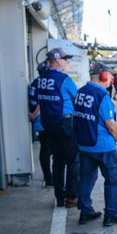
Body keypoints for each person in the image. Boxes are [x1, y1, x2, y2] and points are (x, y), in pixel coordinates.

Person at [73, 62, 117, 226]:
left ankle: (85, 212)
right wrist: (116, 138)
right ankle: (111, 215)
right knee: (113, 180)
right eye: (110, 75)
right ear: (104, 75)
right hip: (103, 146)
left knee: (86, 179)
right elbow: (111, 124)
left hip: (84, 145)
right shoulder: (102, 96)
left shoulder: (80, 92)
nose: (111, 78)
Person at [34, 48, 79, 207]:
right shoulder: (64, 79)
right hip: (65, 123)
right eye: (65, 59)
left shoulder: (40, 79)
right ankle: (71, 196)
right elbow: (77, 98)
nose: (67, 62)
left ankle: (59, 197)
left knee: (58, 161)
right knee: (73, 160)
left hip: (48, 124)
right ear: (58, 60)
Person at [29, 62, 53, 187]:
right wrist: (34, 114)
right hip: (45, 120)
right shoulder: (44, 83)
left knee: (45, 149)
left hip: (39, 122)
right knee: (48, 151)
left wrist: (32, 114)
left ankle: (48, 177)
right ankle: (49, 179)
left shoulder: (34, 82)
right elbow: (41, 102)